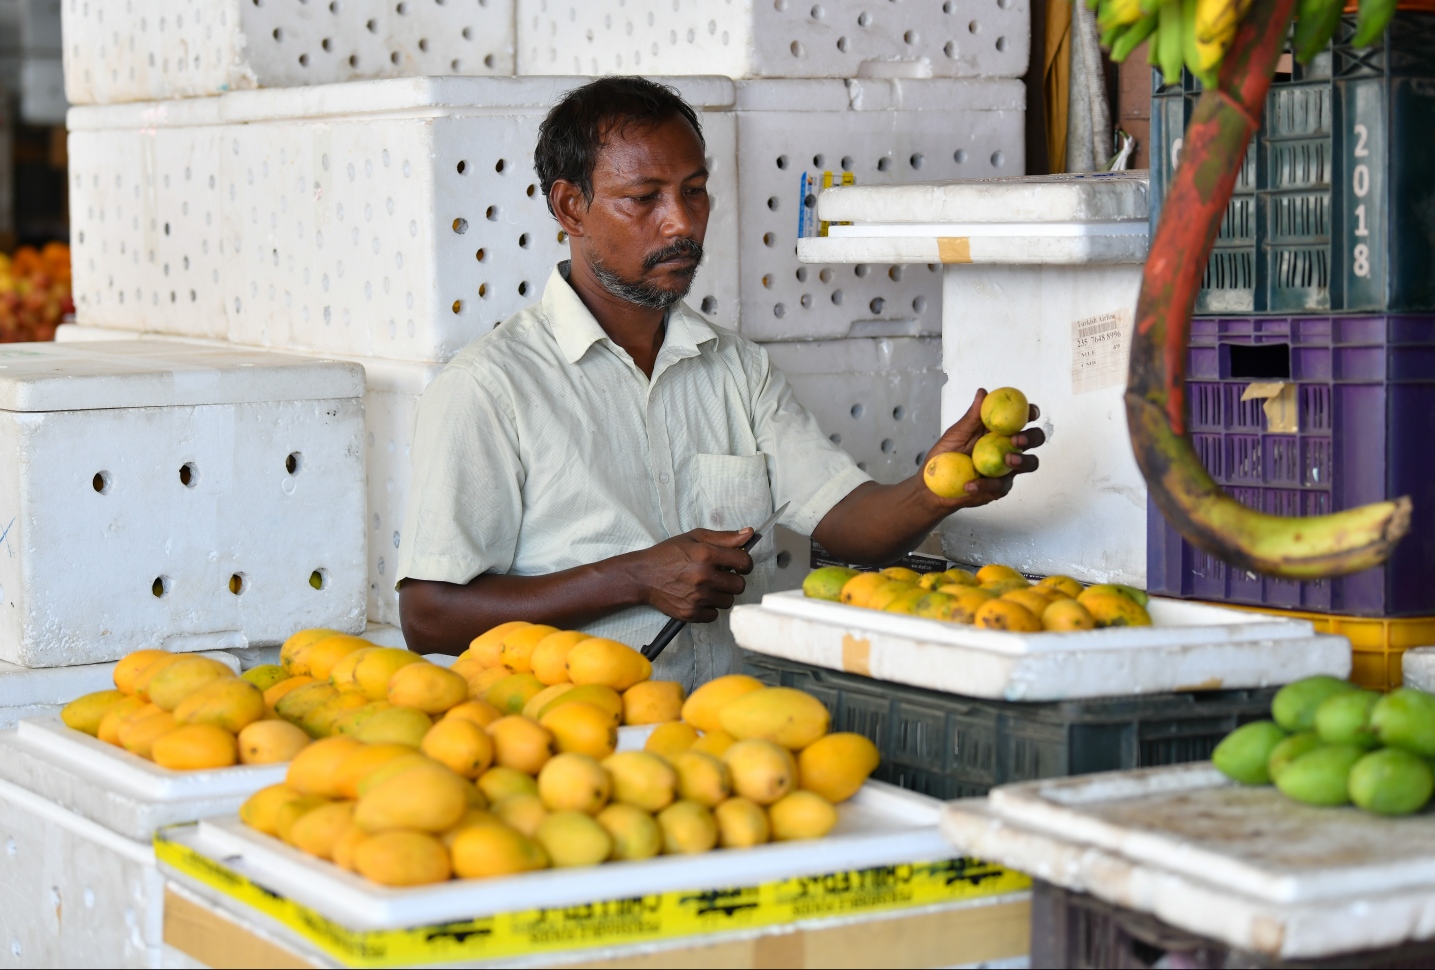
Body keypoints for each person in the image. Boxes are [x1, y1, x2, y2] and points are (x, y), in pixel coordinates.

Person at [395, 77, 1044, 687]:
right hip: (575, 750)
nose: (681, 222)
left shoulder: (736, 369)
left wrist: (935, 491)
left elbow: (843, 519)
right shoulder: (489, 388)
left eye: (694, 191)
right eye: (644, 199)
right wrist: (633, 578)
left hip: (734, 740)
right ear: (571, 206)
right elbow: (429, 616)